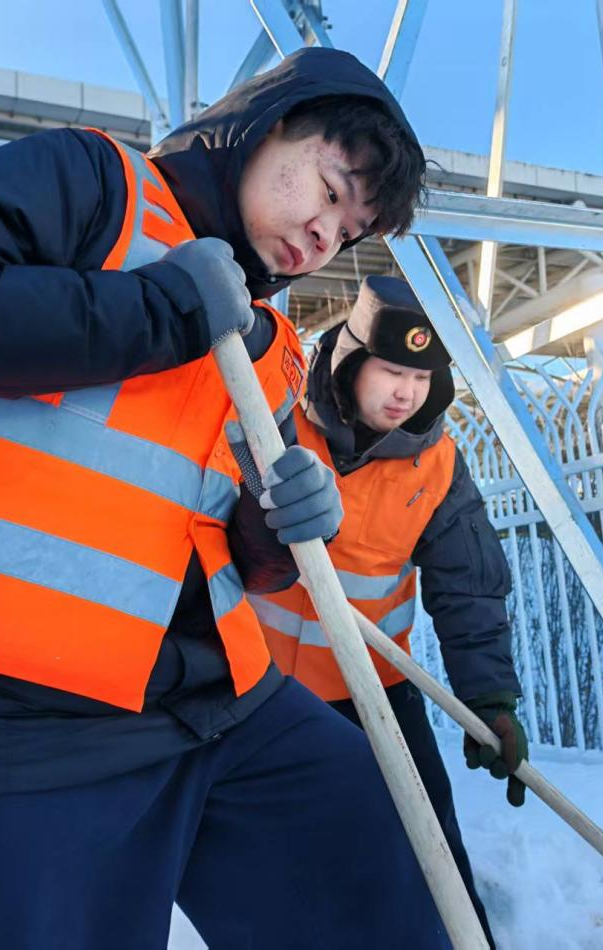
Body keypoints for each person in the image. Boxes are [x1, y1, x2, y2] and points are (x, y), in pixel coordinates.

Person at [0, 48, 448, 948]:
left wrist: (274, 530)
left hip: (219, 702)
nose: (324, 237)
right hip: (18, 720)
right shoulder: (93, 185)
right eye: (327, 191)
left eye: (348, 231)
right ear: (265, 125)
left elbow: (215, 545)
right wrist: (162, 310)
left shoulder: (269, 342)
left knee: (372, 859)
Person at [251, 275, 528, 949]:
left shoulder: (437, 465)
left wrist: (488, 698)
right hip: (256, 691)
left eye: (421, 377)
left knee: (427, 852)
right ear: (351, 364)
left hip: (375, 694)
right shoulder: (273, 424)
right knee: (278, 867)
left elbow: (468, 588)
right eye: (392, 371)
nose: (406, 392)